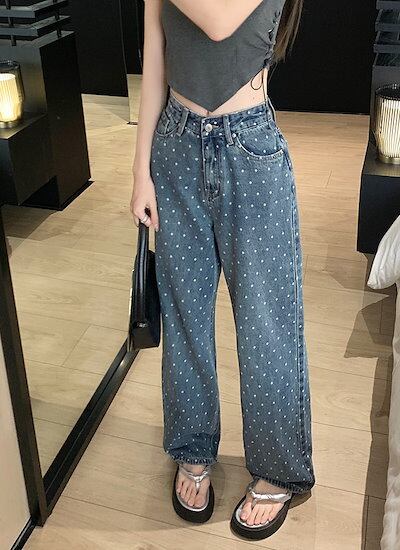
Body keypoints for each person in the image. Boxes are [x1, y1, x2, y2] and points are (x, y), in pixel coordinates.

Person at [130, 0, 315, 540]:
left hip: (249, 147)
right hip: (175, 145)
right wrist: (140, 170)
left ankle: (278, 470)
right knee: (185, 320)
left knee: (266, 326)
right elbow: (156, 59)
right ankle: (192, 450)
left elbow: (218, 22)